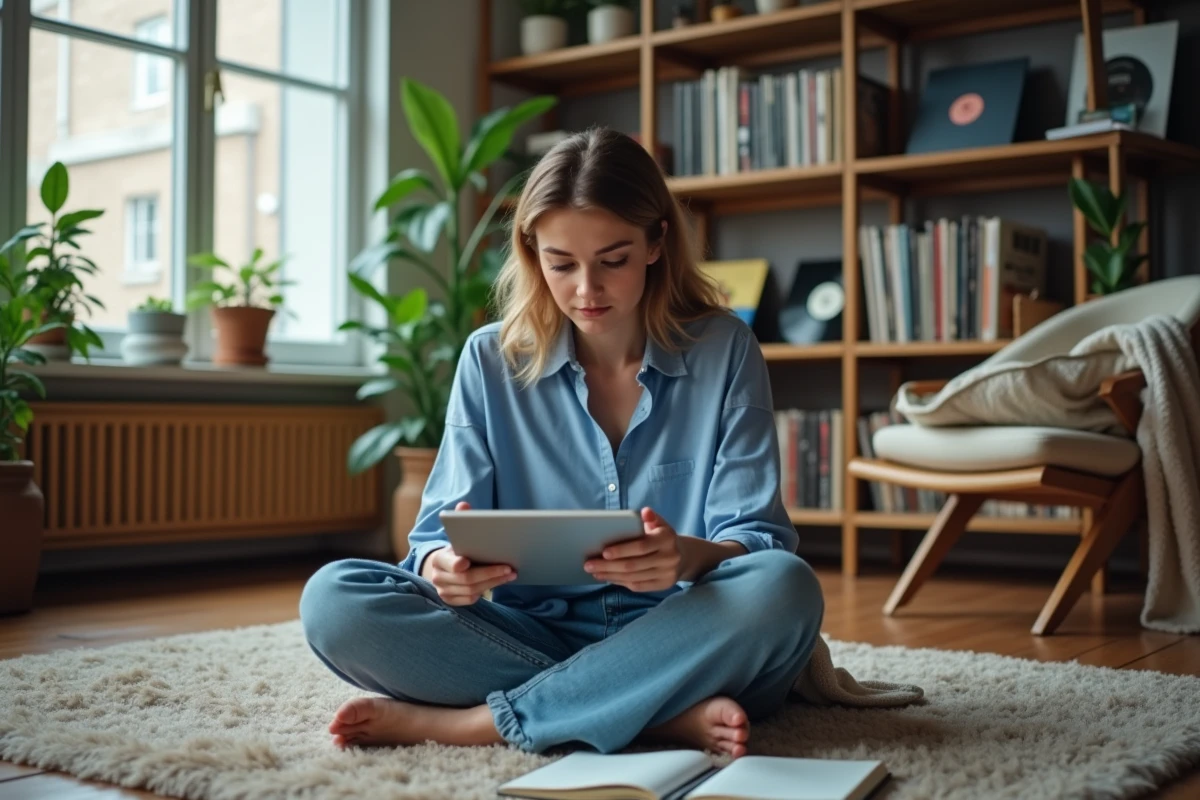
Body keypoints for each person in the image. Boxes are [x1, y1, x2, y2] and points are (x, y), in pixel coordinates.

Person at [299, 127, 825, 758]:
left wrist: (683, 557)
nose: (586, 290)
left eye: (613, 260)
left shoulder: (724, 349)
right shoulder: (489, 359)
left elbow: (758, 539)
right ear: (531, 252)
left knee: (784, 587)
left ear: (657, 241)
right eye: (561, 264)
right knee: (335, 600)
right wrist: (446, 569)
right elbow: (434, 540)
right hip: (530, 634)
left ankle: (484, 723)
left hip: (687, 631)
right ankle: (654, 717)